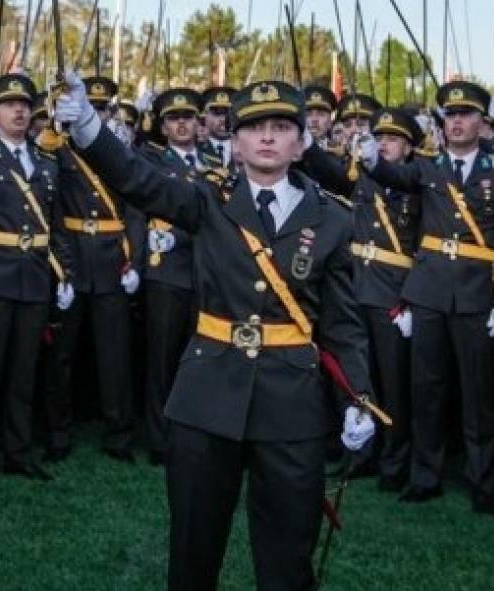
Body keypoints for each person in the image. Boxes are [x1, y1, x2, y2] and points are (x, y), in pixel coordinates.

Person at [56, 74, 376, 591]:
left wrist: (358, 397)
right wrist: (91, 128)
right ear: (234, 142)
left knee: (288, 557)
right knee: (193, 550)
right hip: (207, 395)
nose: (267, 137)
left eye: (280, 127)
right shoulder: (206, 199)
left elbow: (342, 324)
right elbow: (140, 179)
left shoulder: (333, 219)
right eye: (253, 127)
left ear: (300, 143)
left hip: (291, 403)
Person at [356, 80, 494, 515]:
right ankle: (424, 476)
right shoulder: (428, 167)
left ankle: (481, 481)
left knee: (477, 395)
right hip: (428, 291)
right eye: (449, 115)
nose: (456, 122)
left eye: (466, 114)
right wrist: (371, 157)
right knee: (426, 390)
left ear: (481, 122)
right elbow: (393, 174)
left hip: (476, 294)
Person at [0, 73, 75, 489]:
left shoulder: (45, 160)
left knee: (24, 371)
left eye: (25, 105)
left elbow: (55, 223)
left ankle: (17, 452)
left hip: (33, 276)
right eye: (9, 105)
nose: (20, 111)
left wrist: (65, 272)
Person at [305, 106, 423, 492]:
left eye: (393, 139)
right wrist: (307, 144)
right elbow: (331, 175)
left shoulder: (419, 183)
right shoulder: (362, 177)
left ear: (408, 148)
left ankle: (395, 460)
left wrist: (410, 298)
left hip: (393, 291)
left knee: (393, 383)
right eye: (381, 137)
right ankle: (360, 453)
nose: (384, 144)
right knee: (357, 379)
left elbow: (427, 245)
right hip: (356, 285)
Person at [45, 75, 140, 464]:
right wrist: (60, 265)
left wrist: (134, 260)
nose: (96, 113)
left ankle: (118, 434)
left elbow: (135, 207)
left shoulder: (115, 150)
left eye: (102, 108)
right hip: (72, 255)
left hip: (112, 259)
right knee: (61, 355)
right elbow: (48, 209)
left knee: (114, 355)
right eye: (91, 107)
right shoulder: (57, 149)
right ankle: (57, 432)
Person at [136, 87, 207, 465]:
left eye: (188, 118)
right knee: (162, 361)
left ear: (199, 123)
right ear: (163, 126)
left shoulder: (214, 160)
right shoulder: (152, 160)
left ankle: (192, 434)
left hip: (206, 272)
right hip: (167, 270)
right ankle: (160, 440)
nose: (182, 124)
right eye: (174, 118)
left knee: (199, 361)